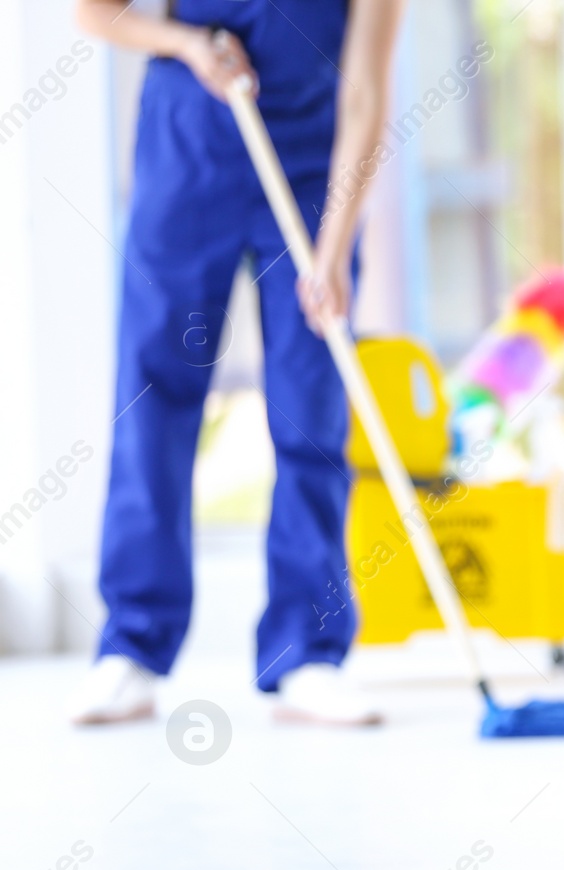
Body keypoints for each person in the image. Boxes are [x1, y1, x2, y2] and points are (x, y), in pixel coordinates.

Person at [68, 0, 403, 726]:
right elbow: (96, 12)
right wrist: (186, 42)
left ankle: (307, 652)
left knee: (310, 398)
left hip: (315, 169)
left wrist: (335, 243)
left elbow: (366, 86)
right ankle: (131, 642)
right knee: (155, 394)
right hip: (188, 150)